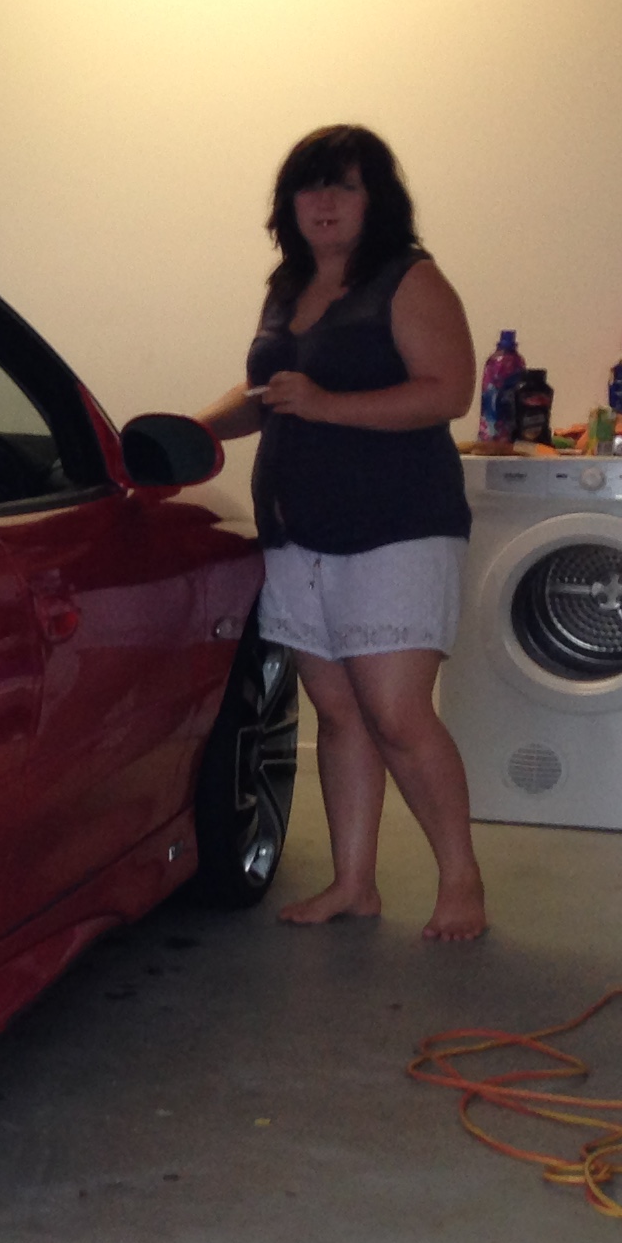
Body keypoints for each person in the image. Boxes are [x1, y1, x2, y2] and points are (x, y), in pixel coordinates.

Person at [197, 125, 487, 941]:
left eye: (344, 186)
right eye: (309, 187)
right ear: (289, 205)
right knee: (339, 713)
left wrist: (325, 404)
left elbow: (448, 393)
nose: (323, 203)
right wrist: (195, 430)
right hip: (297, 530)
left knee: (397, 712)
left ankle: (461, 880)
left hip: (398, 527)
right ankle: (354, 883)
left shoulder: (410, 279)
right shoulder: (288, 285)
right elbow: (265, 392)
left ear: (376, 199)